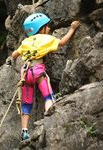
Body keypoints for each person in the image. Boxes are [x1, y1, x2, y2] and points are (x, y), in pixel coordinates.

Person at [6, 13, 80, 141]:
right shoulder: (46, 39)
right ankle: (48, 120)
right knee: (48, 96)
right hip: (38, 72)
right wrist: (72, 29)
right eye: (47, 26)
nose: (49, 29)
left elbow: (14, 54)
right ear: (40, 29)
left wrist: (11, 59)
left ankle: (24, 131)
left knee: (26, 103)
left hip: (26, 73)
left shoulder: (26, 41)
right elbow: (62, 42)